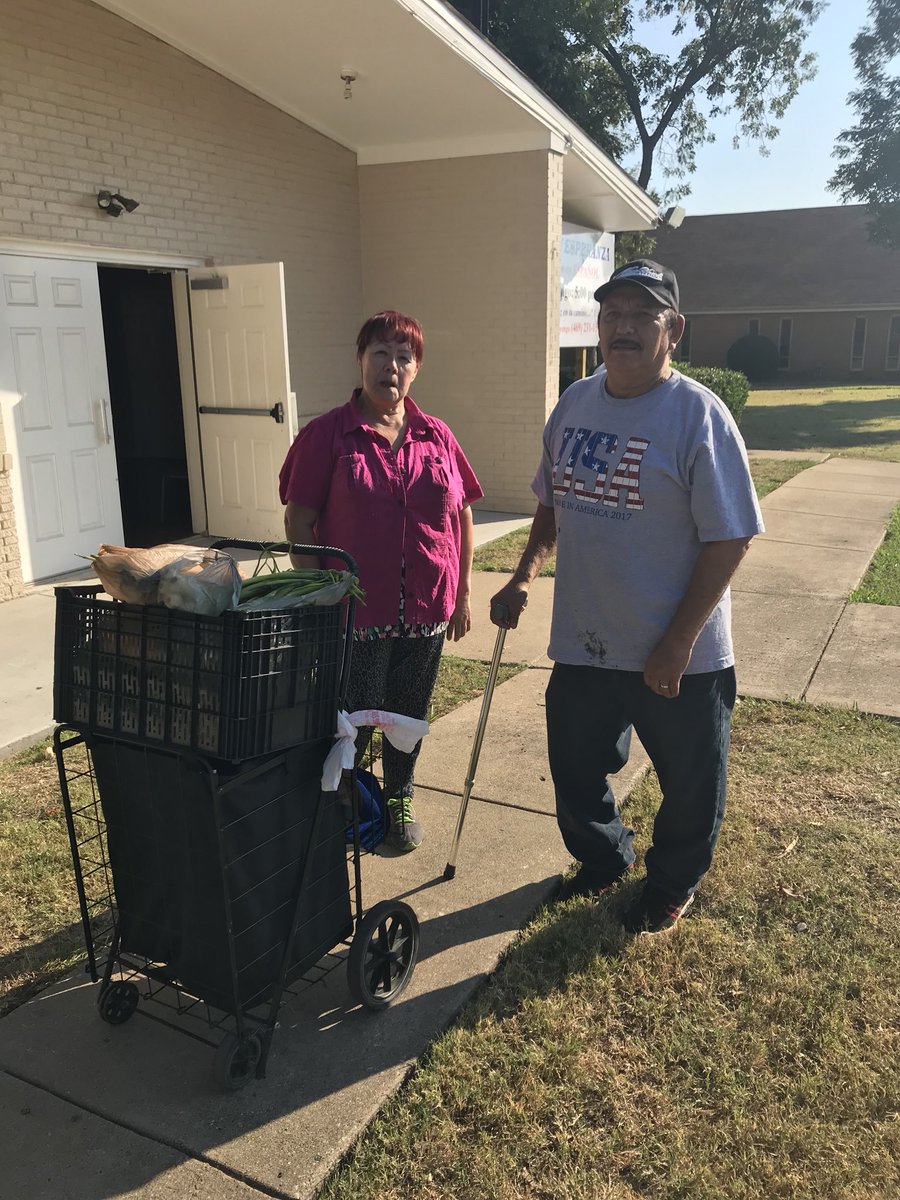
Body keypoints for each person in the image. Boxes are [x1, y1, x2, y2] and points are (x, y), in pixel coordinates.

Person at [491, 259, 764, 932]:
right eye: (613, 313)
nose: (625, 327)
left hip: (678, 653)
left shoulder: (698, 415)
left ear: (674, 329)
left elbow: (729, 538)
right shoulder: (576, 402)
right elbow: (551, 499)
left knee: (692, 783)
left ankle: (670, 884)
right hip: (586, 638)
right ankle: (606, 859)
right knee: (575, 767)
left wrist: (677, 643)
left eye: (644, 315)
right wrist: (525, 572)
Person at [279, 310, 483, 850]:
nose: (391, 366)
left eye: (403, 356)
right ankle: (347, 798)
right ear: (360, 360)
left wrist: (462, 591)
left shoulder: (436, 435)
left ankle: (399, 796)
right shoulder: (327, 435)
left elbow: (460, 515)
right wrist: (323, 590)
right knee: (356, 715)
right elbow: (298, 519)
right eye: (380, 353)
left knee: (408, 713)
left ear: (416, 368)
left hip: (427, 608)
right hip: (357, 612)